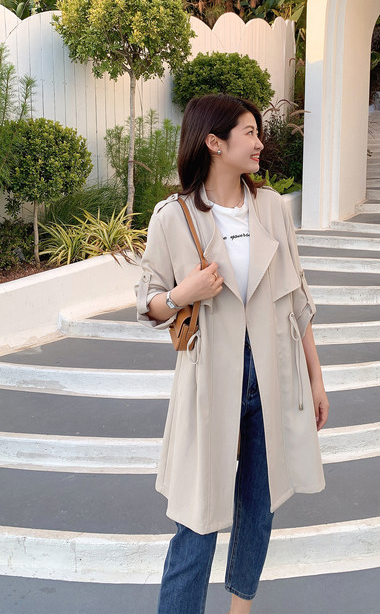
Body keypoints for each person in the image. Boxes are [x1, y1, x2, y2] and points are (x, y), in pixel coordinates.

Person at [135, 93, 329, 614]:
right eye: (249, 132)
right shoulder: (173, 216)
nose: (259, 142)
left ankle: (240, 609)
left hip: (273, 373)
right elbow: (148, 301)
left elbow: (297, 297)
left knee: (259, 505)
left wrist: (316, 378)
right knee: (196, 517)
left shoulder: (272, 208)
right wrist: (184, 293)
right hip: (209, 379)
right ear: (214, 143)